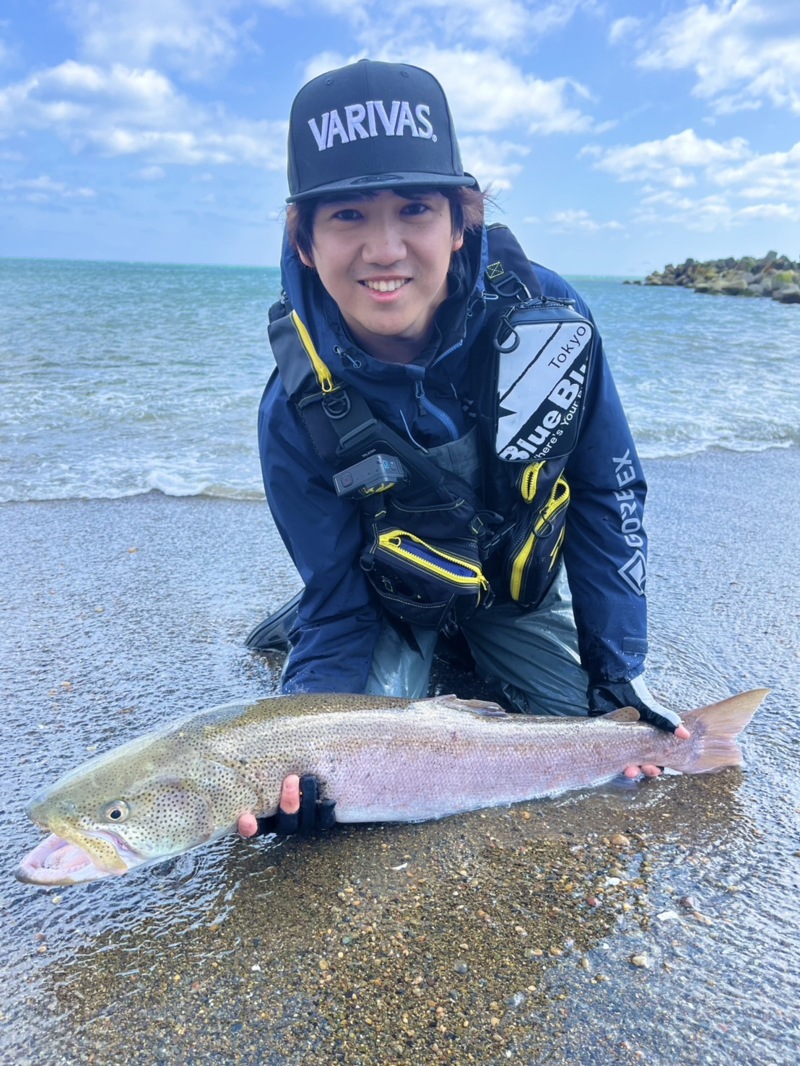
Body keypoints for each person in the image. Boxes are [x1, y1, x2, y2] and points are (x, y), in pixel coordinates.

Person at [238, 58, 688, 839]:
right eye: (346, 215)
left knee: (611, 749)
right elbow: (342, 602)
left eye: (414, 208)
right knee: (335, 800)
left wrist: (622, 670)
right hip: (389, 602)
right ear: (303, 239)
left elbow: (608, 492)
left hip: (518, 589)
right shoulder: (292, 411)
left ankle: (495, 652)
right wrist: (296, 733)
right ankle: (301, 635)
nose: (384, 249)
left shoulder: (553, 320)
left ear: (461, 219)